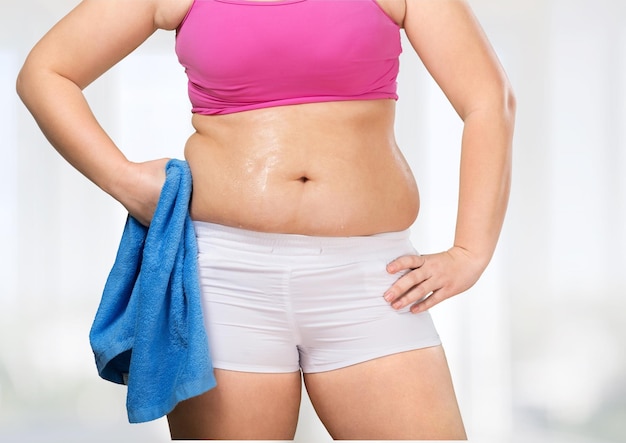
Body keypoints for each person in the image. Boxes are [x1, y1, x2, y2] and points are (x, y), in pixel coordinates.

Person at [16, 0, 514, 440]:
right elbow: (47, 72)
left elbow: (489, 100)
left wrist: (470, 252)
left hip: (371, 281)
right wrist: (122, 180)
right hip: (223, 278)